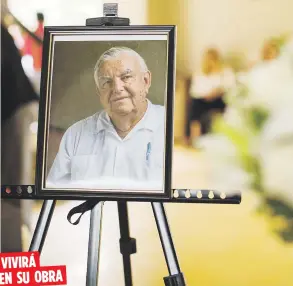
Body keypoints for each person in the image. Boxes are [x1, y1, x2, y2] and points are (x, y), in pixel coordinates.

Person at [47, 47, 165, 188]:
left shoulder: (169, 126)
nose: (116, 88)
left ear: (146, 81)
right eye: (106, 82)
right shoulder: (75, 134)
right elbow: (54, 195)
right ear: (99, 92)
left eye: (126, 77)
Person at [185, 48, 235, 146]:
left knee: (226, 103)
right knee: (195, 105)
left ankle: (222, 140)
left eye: (213, 58)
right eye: (208, 59)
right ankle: (195, 138)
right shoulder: (200, 73)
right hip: (203, 99)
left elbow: (230, 86)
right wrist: (207, 95)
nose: (210, 61)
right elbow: (195, 91)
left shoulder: (225, 72)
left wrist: (217, 91)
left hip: (219, 98)